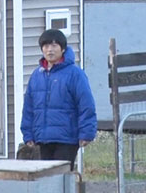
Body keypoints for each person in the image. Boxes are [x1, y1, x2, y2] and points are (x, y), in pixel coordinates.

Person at [20, 28, 97, 170]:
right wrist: (28, 134)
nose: (50, 50)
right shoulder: (37, 75)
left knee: (61, 179)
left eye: (54, 46)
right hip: (42, 139)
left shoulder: (75, 74)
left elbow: (86, 104)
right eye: (46, 46)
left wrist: (86, 133)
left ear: (62, 49)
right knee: (44, 179)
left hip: (66, 138)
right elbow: (29, 107)